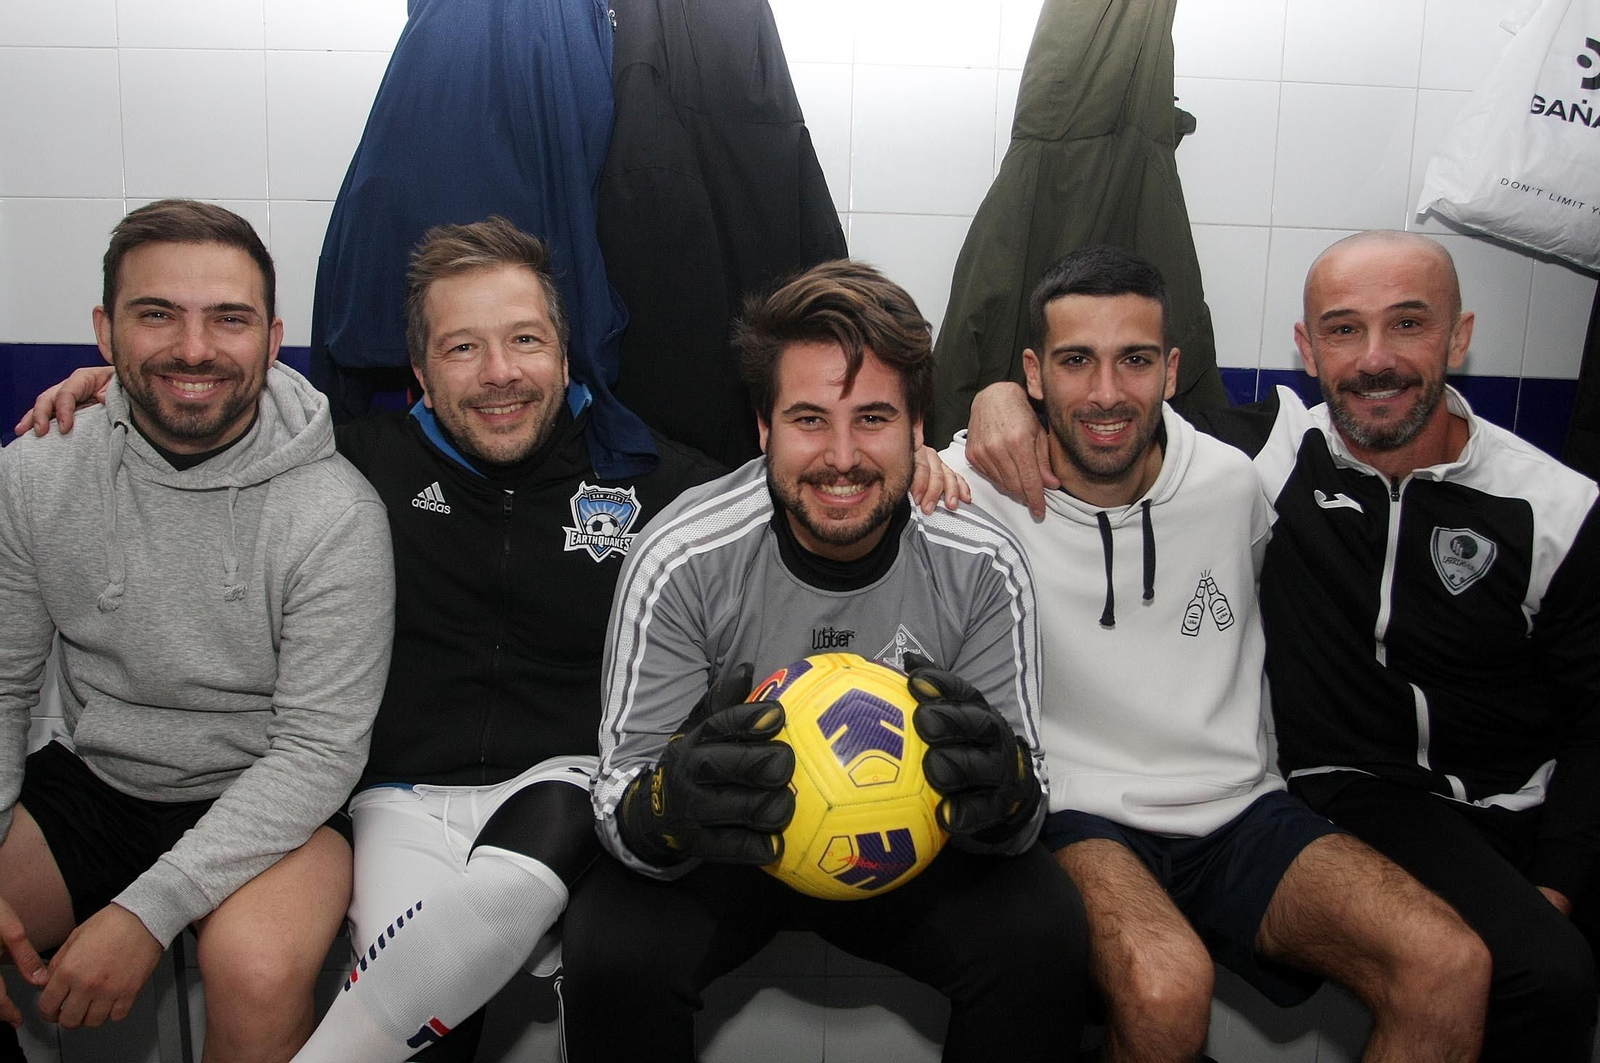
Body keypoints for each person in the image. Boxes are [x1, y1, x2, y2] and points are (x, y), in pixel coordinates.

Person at [18, 219, 972, 1062]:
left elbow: (812, 469)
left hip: (569, 798)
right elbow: (220, 402)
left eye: (526, 339)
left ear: (567, 353)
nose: (501, 371)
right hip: (397, 801)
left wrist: (910, 455)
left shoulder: (661, 481)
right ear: (421, 375)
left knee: (549, 822)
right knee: (422, 1006)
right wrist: (117, 393)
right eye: (462, 347)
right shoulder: (352, 469)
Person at [963, 230, 1600, 1062]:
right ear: (1036, 372)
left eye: (1136, 360)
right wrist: (985, 403)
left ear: (1172, 368)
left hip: (1247, 807)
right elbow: (865, 470)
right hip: (1079, 810)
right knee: (1164, 986)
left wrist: (1557, 873)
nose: (1108, 391)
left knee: (1447, 965)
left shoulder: (1240, 472)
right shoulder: (973, 485)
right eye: (1076, 361)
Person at [562, 260, 1088, 1063]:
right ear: (764, 428)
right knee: (613, 950)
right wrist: (669, 801)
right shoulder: (683, 556)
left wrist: (1007, 794)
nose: (842, 457)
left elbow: (1026, 808)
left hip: (910, 842)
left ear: (918, 425)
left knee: (1043, 929)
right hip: (736, 849)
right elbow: (616, 802)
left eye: (873, 416)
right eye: (809, 419)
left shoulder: (981, 562)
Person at [0, 199, 395, 1062]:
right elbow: (3, 684)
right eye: (156, 314)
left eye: (229, 318)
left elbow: (319, 751)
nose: (193, 348)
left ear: (271, 335)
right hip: (99, 778)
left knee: (253, 966)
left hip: (267, 793)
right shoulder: (36, 471)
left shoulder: (334, 510)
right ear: (104, 332)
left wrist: (148, 910)